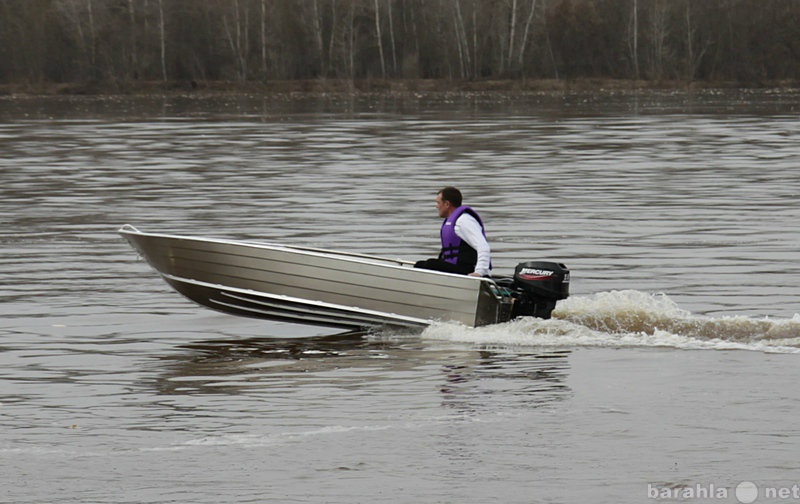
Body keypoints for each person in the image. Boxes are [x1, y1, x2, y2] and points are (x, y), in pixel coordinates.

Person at [414, 186, 491, 277]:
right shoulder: (452, 221)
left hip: (467, 270)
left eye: (438, 203)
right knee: (420, 265)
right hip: (456, 267)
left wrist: (479, 272)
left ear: (447, 204)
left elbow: (483, 246)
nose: (436, 206)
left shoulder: (464, 221)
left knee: (430, 264)